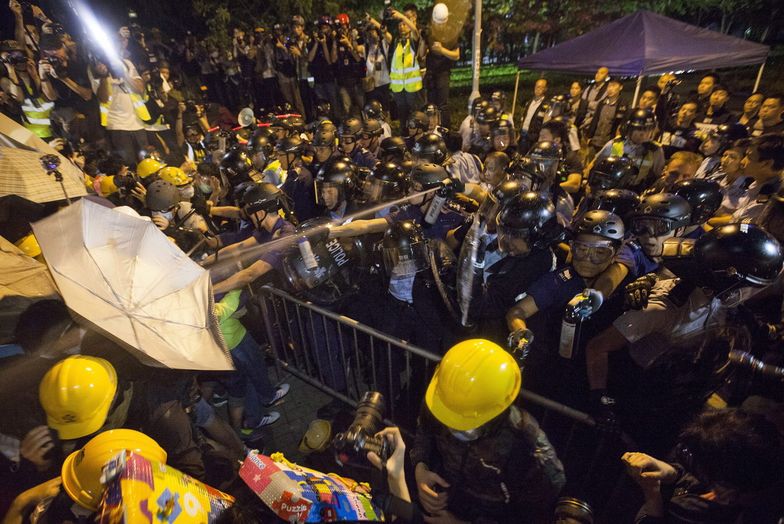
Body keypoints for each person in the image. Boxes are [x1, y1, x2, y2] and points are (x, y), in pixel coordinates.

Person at [585, 224, 783, 426]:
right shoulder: (661, 309)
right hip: (643, 391)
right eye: (751, 287)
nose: (753, 294)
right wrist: (601, 400)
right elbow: (597, 347)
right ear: (729, 283)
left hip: (682, 384)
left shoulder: (718, 297)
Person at [410, 339, 565, 523]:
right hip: (450, 498)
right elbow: (425, 431)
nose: (450, 425)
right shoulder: (442, 399)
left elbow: (533, 514)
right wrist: (420, 467)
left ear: (496, 411)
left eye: (463, 421)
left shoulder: (526, 447)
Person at [622, 409, 784, 523]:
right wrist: (670, 472)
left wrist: (652, 494)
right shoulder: (751, 469)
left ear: (727, 489)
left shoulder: (707, 514)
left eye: (698, 461)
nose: (687, 456)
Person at [591, 109, 665, 192]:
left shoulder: (655, 151)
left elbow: (657, 177)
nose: (645, 134)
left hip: (636, 192)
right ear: (629, 128)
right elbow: (595, 165)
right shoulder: (616, 144)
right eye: (640, 129)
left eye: (649, 129)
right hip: (610, 189)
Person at [387, 5, 425, 127]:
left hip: (412, 88)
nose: (402, 27)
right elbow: (384, 34)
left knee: (416, 117)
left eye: (404, 24)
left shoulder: (414, 40)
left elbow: (415, 31)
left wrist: (402, 16)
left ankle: (418, 140)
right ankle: (405, 139)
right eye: (400, 25)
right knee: (403, 118)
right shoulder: (397, 42)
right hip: (399, 89)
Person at [424, 3, 460, 130]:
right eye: (437, 23)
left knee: (443, 105)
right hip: (430, 73)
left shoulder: (451, 32)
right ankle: (432, 130)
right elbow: (422, 52)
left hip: (443, 73)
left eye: (442, 23)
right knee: (431, 105)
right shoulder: (428, 32)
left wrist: (442, 50)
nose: (439, 25)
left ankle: (445, 131)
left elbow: (456, 55)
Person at [584, 79, 627, 161]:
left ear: (620, 87)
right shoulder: (602, 103)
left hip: (612, 143)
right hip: (595, 140)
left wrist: (617, 147)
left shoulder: (623, 104)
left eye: (614, 86)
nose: (610, 88)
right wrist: (589, 136)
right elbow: (595, 120)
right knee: (590, 163)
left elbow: (622, 125)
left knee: (610, 164)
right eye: (609, 86)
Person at [309, 17, 339, 119]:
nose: (323, 30)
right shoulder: (314, 42)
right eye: (322, 28)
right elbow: (310, 58)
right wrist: (317, 43)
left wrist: (324, 44)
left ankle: (337, 122)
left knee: (334, 103)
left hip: (330, 78)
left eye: (326, 27)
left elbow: (330, 60)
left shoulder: (331, 41)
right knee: (322, 105)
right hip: (318, 79)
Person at [519, 78, 548, 153]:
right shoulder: (529, 101)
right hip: (523, 134)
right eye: (537, 86)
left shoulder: (546, 105)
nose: (538, 89)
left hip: (534, 138)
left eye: (541, 87)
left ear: (545, 89)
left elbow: (546, 123)